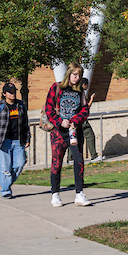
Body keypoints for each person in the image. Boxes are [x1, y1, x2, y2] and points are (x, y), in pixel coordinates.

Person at [44, 64, 91, 207]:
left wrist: (75, 121)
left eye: (79, 75)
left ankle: (79, 194)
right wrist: (59, 122)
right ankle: (55, 194)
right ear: (69, 74)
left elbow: (85, 109)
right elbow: (48, 108)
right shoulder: (56, 87)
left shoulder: (80, 91)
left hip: (74, 131)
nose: (76, 78)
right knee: (57, 163)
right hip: (59, 132)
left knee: (79, 161)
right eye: (74, 75)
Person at [0, 83, 30, 199]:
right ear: (4, 94)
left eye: (14, 91)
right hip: (3, 142)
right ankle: (6, 190)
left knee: (20, 164)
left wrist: (27, 138)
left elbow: (26, 123)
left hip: (18, 141)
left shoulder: (20, 105)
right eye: (10, 92)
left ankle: (7, 182)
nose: (13, 94)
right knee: (5, 168)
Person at [77, 77, 101, 162]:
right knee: (90, 136)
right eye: (87, 85)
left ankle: (71, 158)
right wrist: (91, 99)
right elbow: (86, 107)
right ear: (84, 85)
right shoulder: (81, 92)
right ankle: (94, 156)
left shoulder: (74, 91)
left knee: (75, 138)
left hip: (75, 119)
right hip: (81, 119)